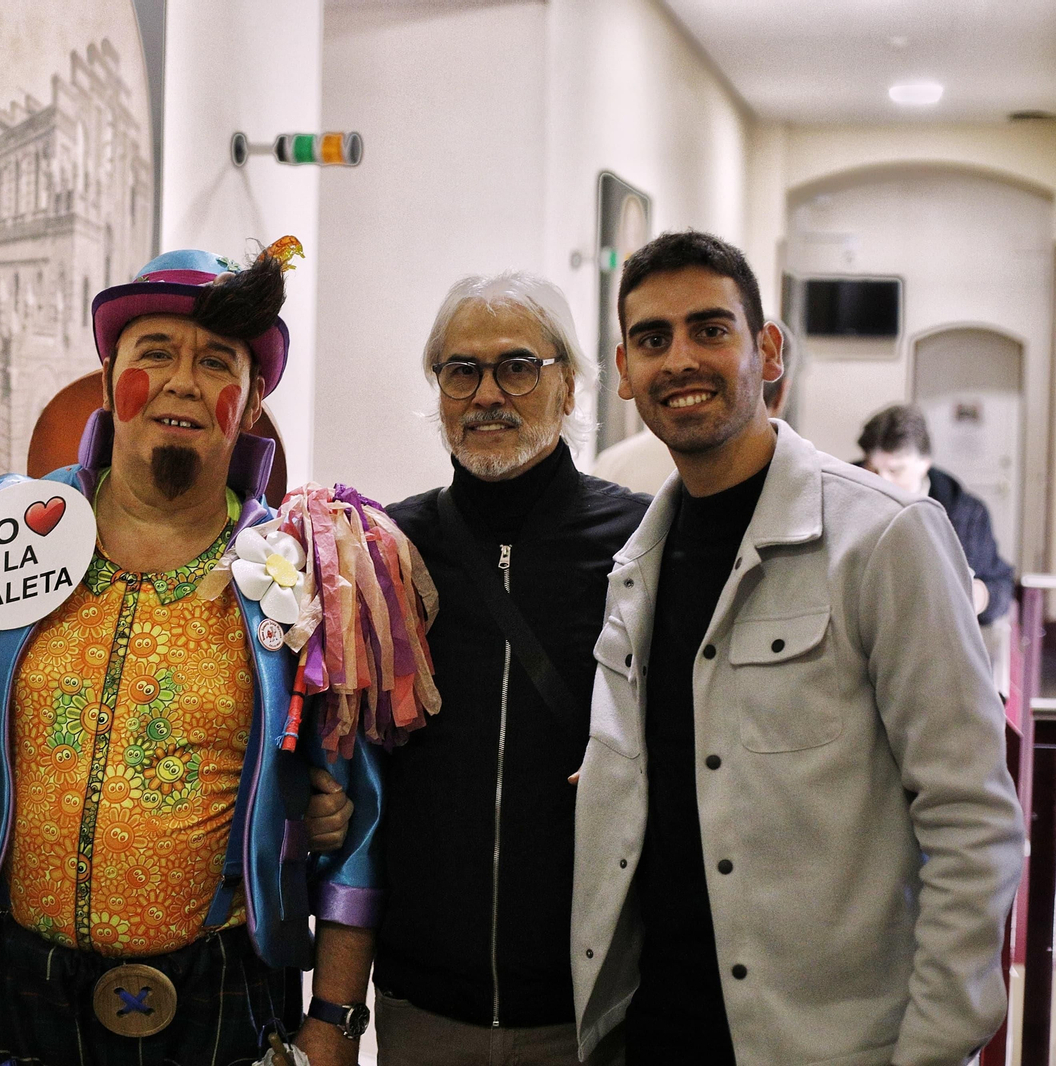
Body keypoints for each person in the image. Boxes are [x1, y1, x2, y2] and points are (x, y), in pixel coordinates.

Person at [571, 230, 1024, 1066]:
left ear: (767, 349)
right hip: (659, 1028)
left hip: (827, 1042)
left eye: (711, 329)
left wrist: (932, 1049)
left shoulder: (884, 537)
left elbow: (972, 818)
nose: (680, 360)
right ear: (626, 371)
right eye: (651, 339)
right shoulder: (637, 562)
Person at [0, 244, 384, 1066]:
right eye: (155, 354)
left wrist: (335, 1023)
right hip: (7, 984)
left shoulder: (296, 570)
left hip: (222, 998)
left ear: (248, 407)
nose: (182, 380)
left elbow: (356, 820)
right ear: (109, 381)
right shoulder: (10, 529)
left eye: (216, 362)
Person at [373, 271, 646, 1065]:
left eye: (517, 366)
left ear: (568, 386)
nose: (488, 392)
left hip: (586, 1007)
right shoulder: (388, 546)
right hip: (421, 1002)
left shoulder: (638, 543)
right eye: (463, 370)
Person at [592, 319, 796, 495]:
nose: (679, 363)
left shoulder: (612, 463)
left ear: (769, 353)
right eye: (655, 341)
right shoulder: (806, 489)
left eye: (712, 333)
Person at [859, 403, 1015, 625]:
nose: (882, 481)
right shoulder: (845, 494)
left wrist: (978, 597)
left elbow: (1001, 586)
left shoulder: (966, 511)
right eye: (873, 469)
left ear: (925, 463)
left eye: (895, 470)